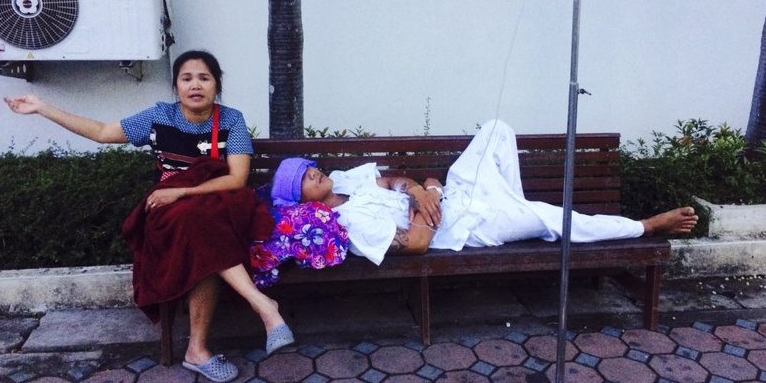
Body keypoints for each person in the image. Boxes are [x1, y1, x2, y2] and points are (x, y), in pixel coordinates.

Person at [4, 49, 293, 383]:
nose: (195, 85)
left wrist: (181, 191)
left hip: (217, 209)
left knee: (201, 227)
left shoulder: (230, 120)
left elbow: (236, 180)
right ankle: (261, 307)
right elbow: (101, 131)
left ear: (217, 85)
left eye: (204, 77)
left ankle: (200, 348)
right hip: (169, 216)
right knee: (197, 228)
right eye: (186, 78)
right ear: (176, 86)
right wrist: (43, 107)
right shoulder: (159, 117)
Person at [270, 120, 698, 266]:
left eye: (312, 167)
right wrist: (425, 210)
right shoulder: (343, 225)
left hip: (452, 194)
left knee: (496, 130)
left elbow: (391, 179)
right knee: (549, 218)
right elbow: (417, 244)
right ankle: (643, 227)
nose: (317, 172)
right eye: (307, 177)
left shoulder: (345, 181)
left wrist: (421, 189)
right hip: (465, 226)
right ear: (301, 199)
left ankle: (514, 204)